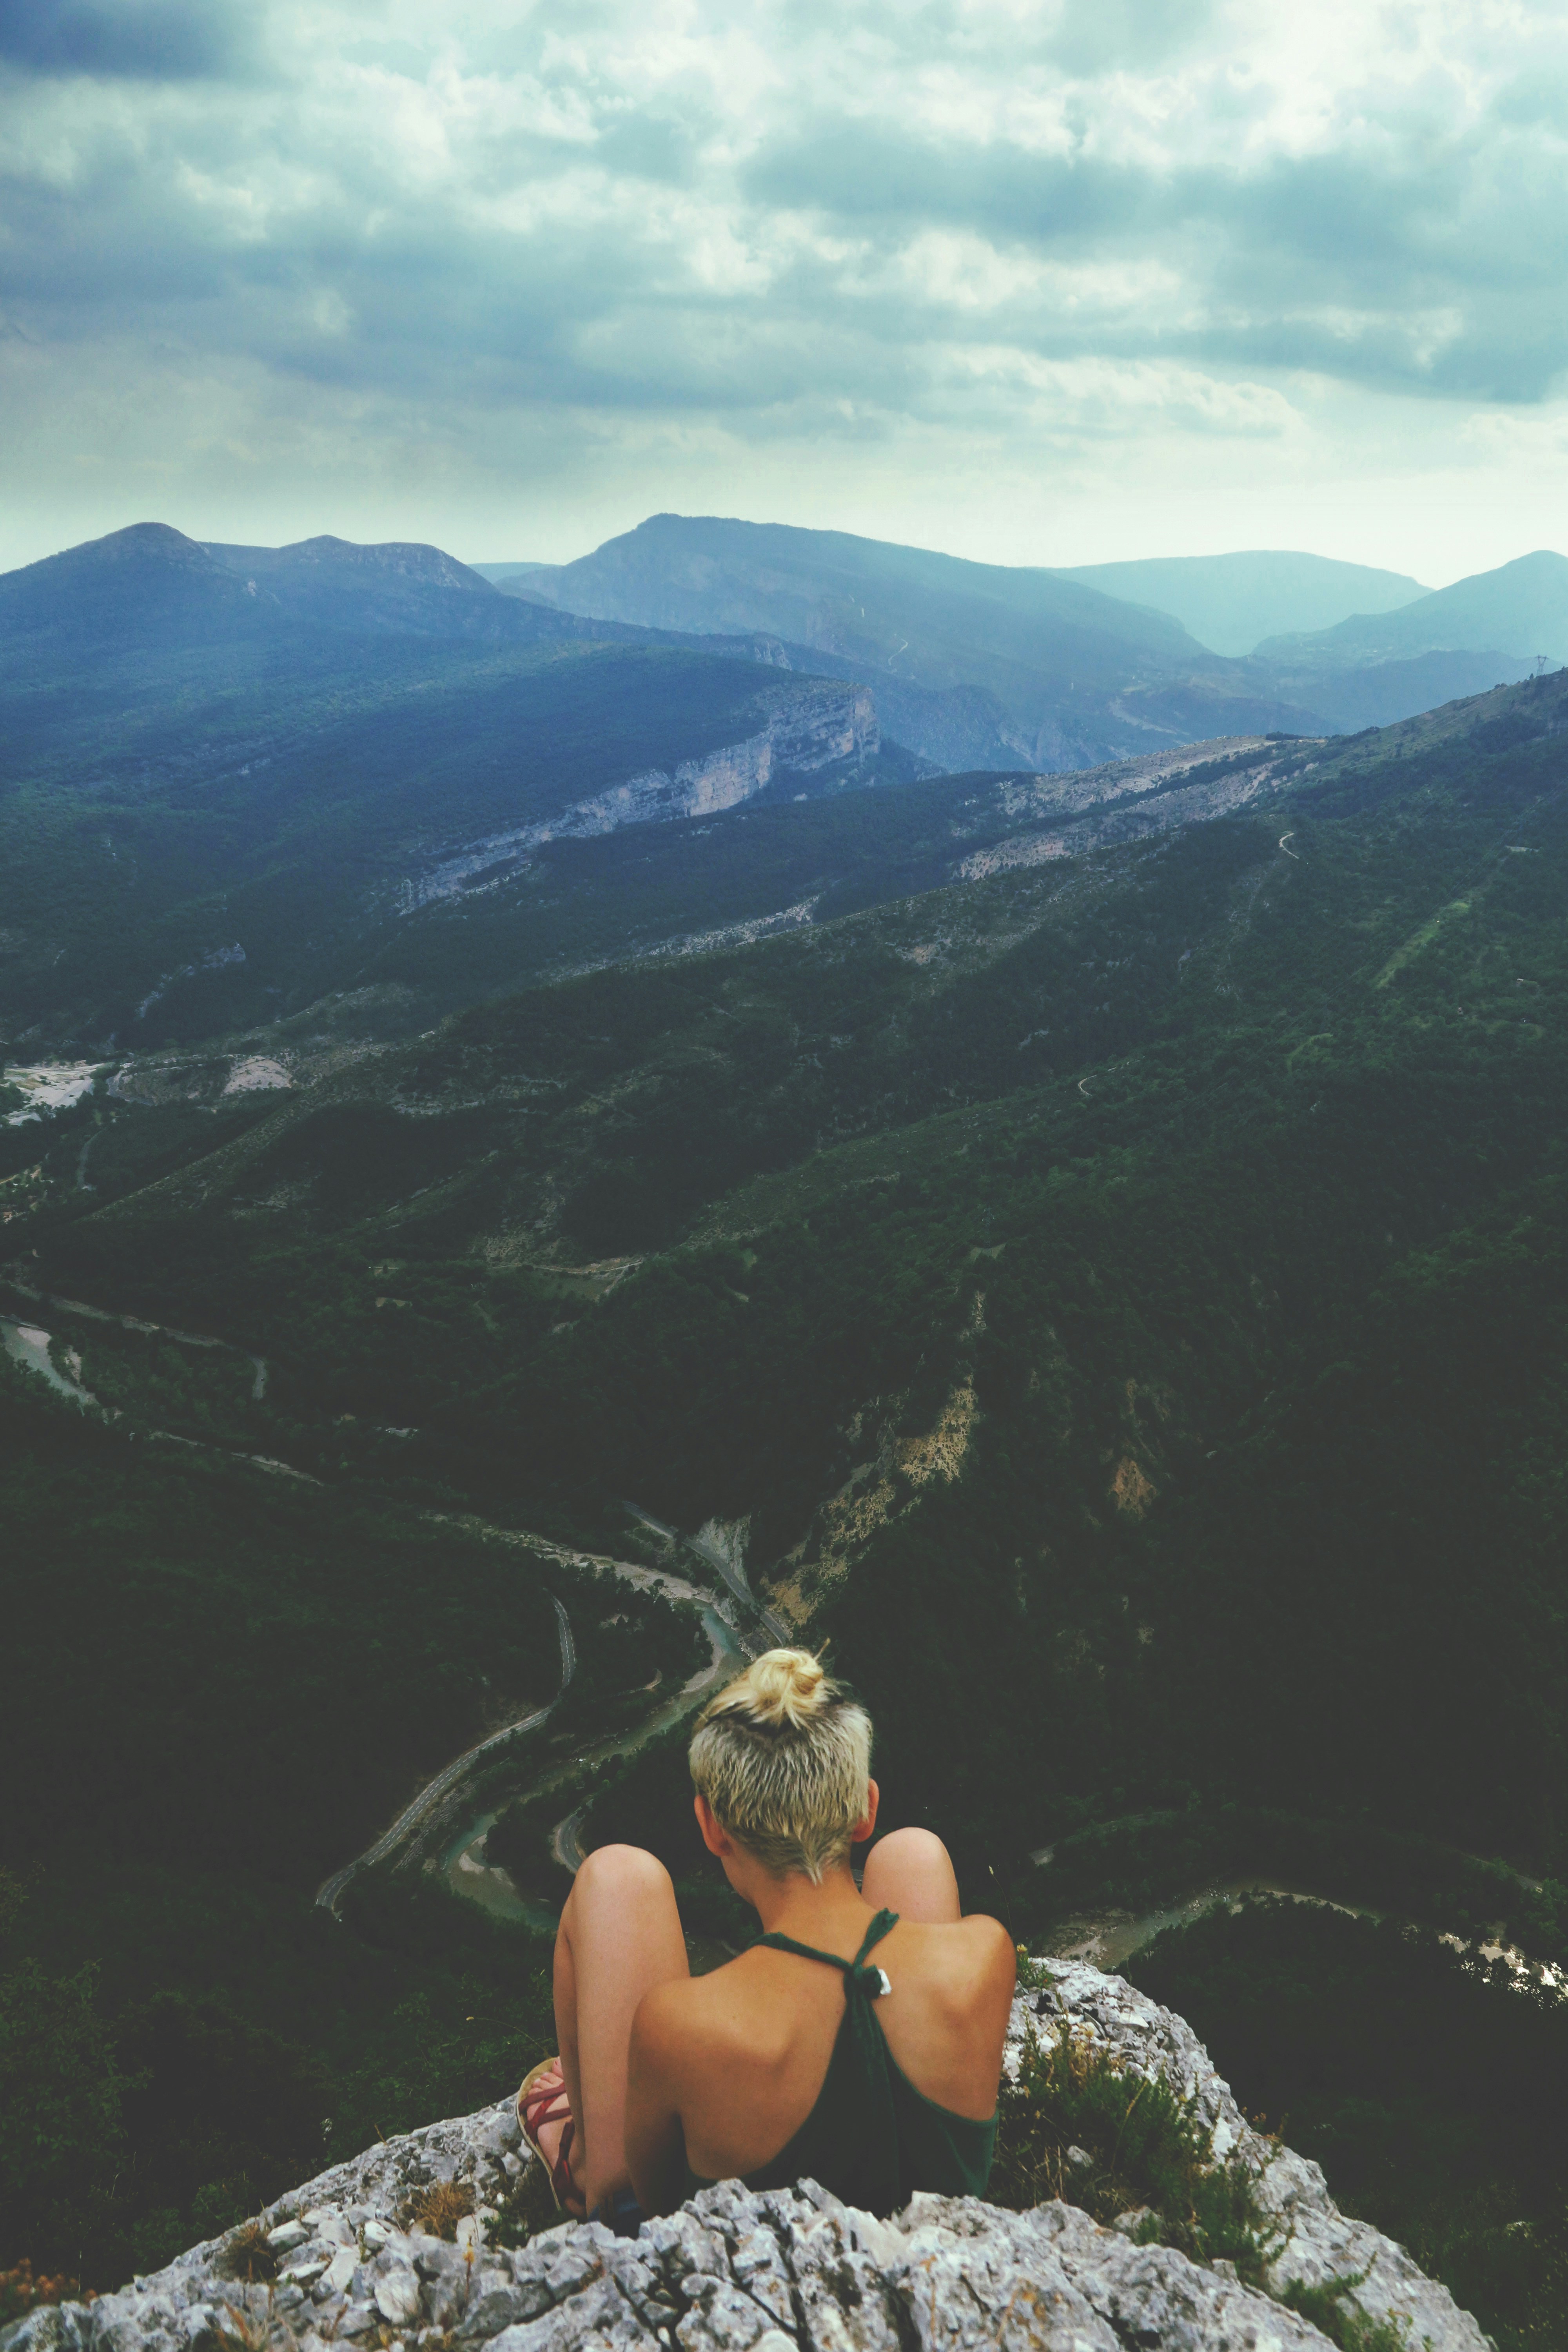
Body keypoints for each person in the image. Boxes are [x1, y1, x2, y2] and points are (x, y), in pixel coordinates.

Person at [517, 1647, 1016, 2232]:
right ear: (866, 1811)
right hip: (932, 2250)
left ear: (711, 1828)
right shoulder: (986, 1952)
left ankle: (577, 2160)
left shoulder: (678, 2026)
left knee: (615, 1876)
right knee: (915, 1853)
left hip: (753, 2271)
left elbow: (648, 2199)